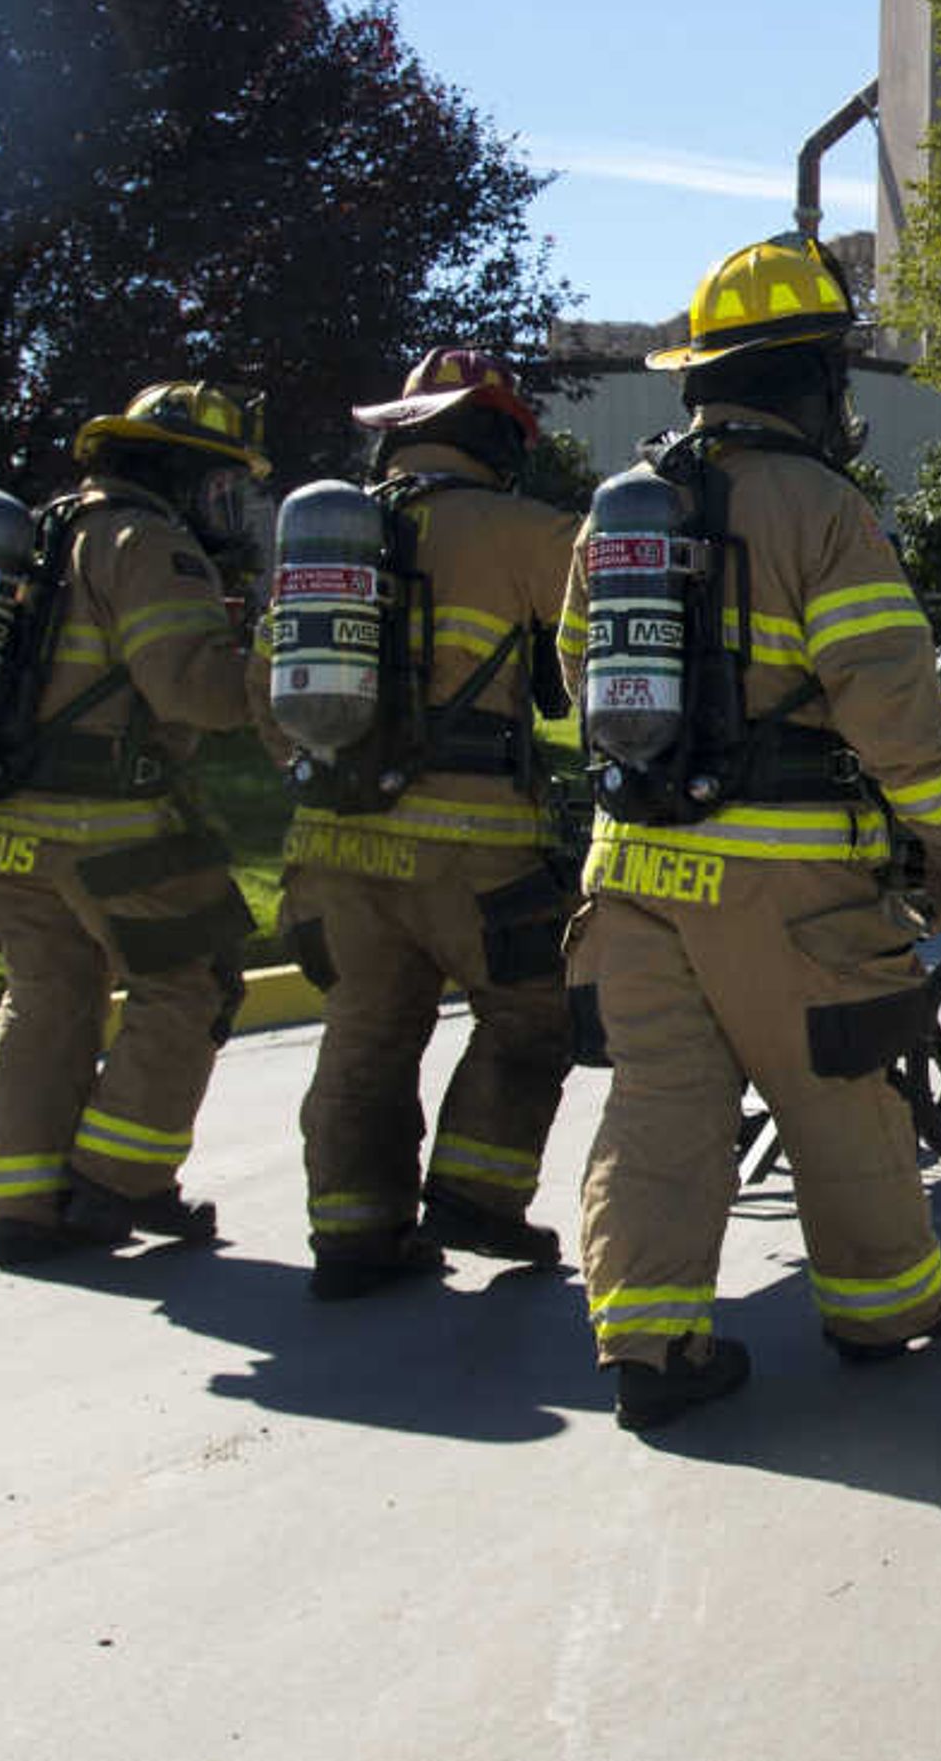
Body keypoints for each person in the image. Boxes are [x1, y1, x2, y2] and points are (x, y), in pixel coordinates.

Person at [558, 236, 941, 1432]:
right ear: (811, 383)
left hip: (633, 869)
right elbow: (890, 697)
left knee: (659, 1100)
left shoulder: (620, 516)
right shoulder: (822, 508)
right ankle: (886, 1306)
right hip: (786, 885)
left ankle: (648, 1339)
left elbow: (576, 670)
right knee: (839, 1090)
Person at [272, 349, 582, 1301]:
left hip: (330, 843)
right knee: (534, 1011)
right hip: (473, 847)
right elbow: (602, 658)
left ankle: (355, 1236)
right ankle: (478, 1195)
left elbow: (267, 690)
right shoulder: (528, 530)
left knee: (367, 1027)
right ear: (500, 438)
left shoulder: (325, 545)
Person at [0, 382, 272, 1267]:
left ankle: (21, 1205)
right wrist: (266, 665)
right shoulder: (149, 542)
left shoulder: (48, 529)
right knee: (192, 983)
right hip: (117, 829)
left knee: (47, 996)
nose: (223, 506)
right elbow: (194, 693)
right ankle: (113, 1183)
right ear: (182, 473)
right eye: (218, 484)